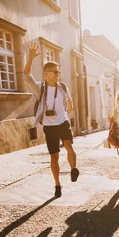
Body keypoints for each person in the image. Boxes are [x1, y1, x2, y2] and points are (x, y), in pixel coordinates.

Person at [24, 42, 79, 198]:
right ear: (46, 73)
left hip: (63, 122)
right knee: (54, 156)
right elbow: (26, 76)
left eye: (58, 72)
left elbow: (69, 101)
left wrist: (70, 106)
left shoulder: (62, 87)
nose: (57, 74)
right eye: (54, 72)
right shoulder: (40, 88)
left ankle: (74, 169)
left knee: (69, 146)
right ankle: (57, 185)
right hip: (49, 126)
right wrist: (30, 57)